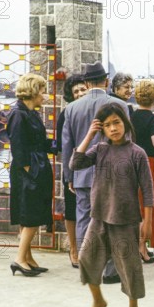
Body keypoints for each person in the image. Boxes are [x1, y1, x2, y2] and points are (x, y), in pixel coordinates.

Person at [70, 103, 154, 307]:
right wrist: (89, 135)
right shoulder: (99, 150)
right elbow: (75, 163)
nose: (113, 128)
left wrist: (148, 221)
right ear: (102, 130)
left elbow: (147, 190)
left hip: (125, 219)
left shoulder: (137, 153)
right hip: (98, 216)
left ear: (125, 123)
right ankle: (98, 302)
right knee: (86, 259)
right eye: (107, 125)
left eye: (116, 122)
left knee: (129, 266)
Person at [62, 61, 130, 284]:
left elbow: (67, 145)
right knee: (111, 219)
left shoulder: (71, 108)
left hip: (82, 174)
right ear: (106, 81)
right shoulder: (120, 105)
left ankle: (88, 267)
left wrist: (69, 176)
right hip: (113, 175)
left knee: (84, 220)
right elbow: (126, 141)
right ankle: (111, 270)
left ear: (86, 82)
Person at [7, 73, 53, 277]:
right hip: (29, 170)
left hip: (35, 167)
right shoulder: (19, 114)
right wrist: (30, 170)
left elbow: (37, 141)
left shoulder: (29, 112)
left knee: (31, 214)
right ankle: (19, 259)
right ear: (33, 92)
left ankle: (27, 257)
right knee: (31, 215)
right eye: (42, 91)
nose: (45, 96)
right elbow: (18, 146)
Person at [131, 78, 154, 263]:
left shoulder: (131, 115)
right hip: (151, 164)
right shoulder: (153, 119)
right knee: (148, 207)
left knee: (136, 206)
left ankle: (138, 245)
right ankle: (142, 248)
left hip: (132, 164)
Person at [56, 73, 87, 268]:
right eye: (76, 91)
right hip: (73, 166)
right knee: (71, 211)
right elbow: (62, 144)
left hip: (92, 166)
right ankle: (73, 249)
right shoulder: (66, 113)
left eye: (83, 89)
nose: (80, 93)